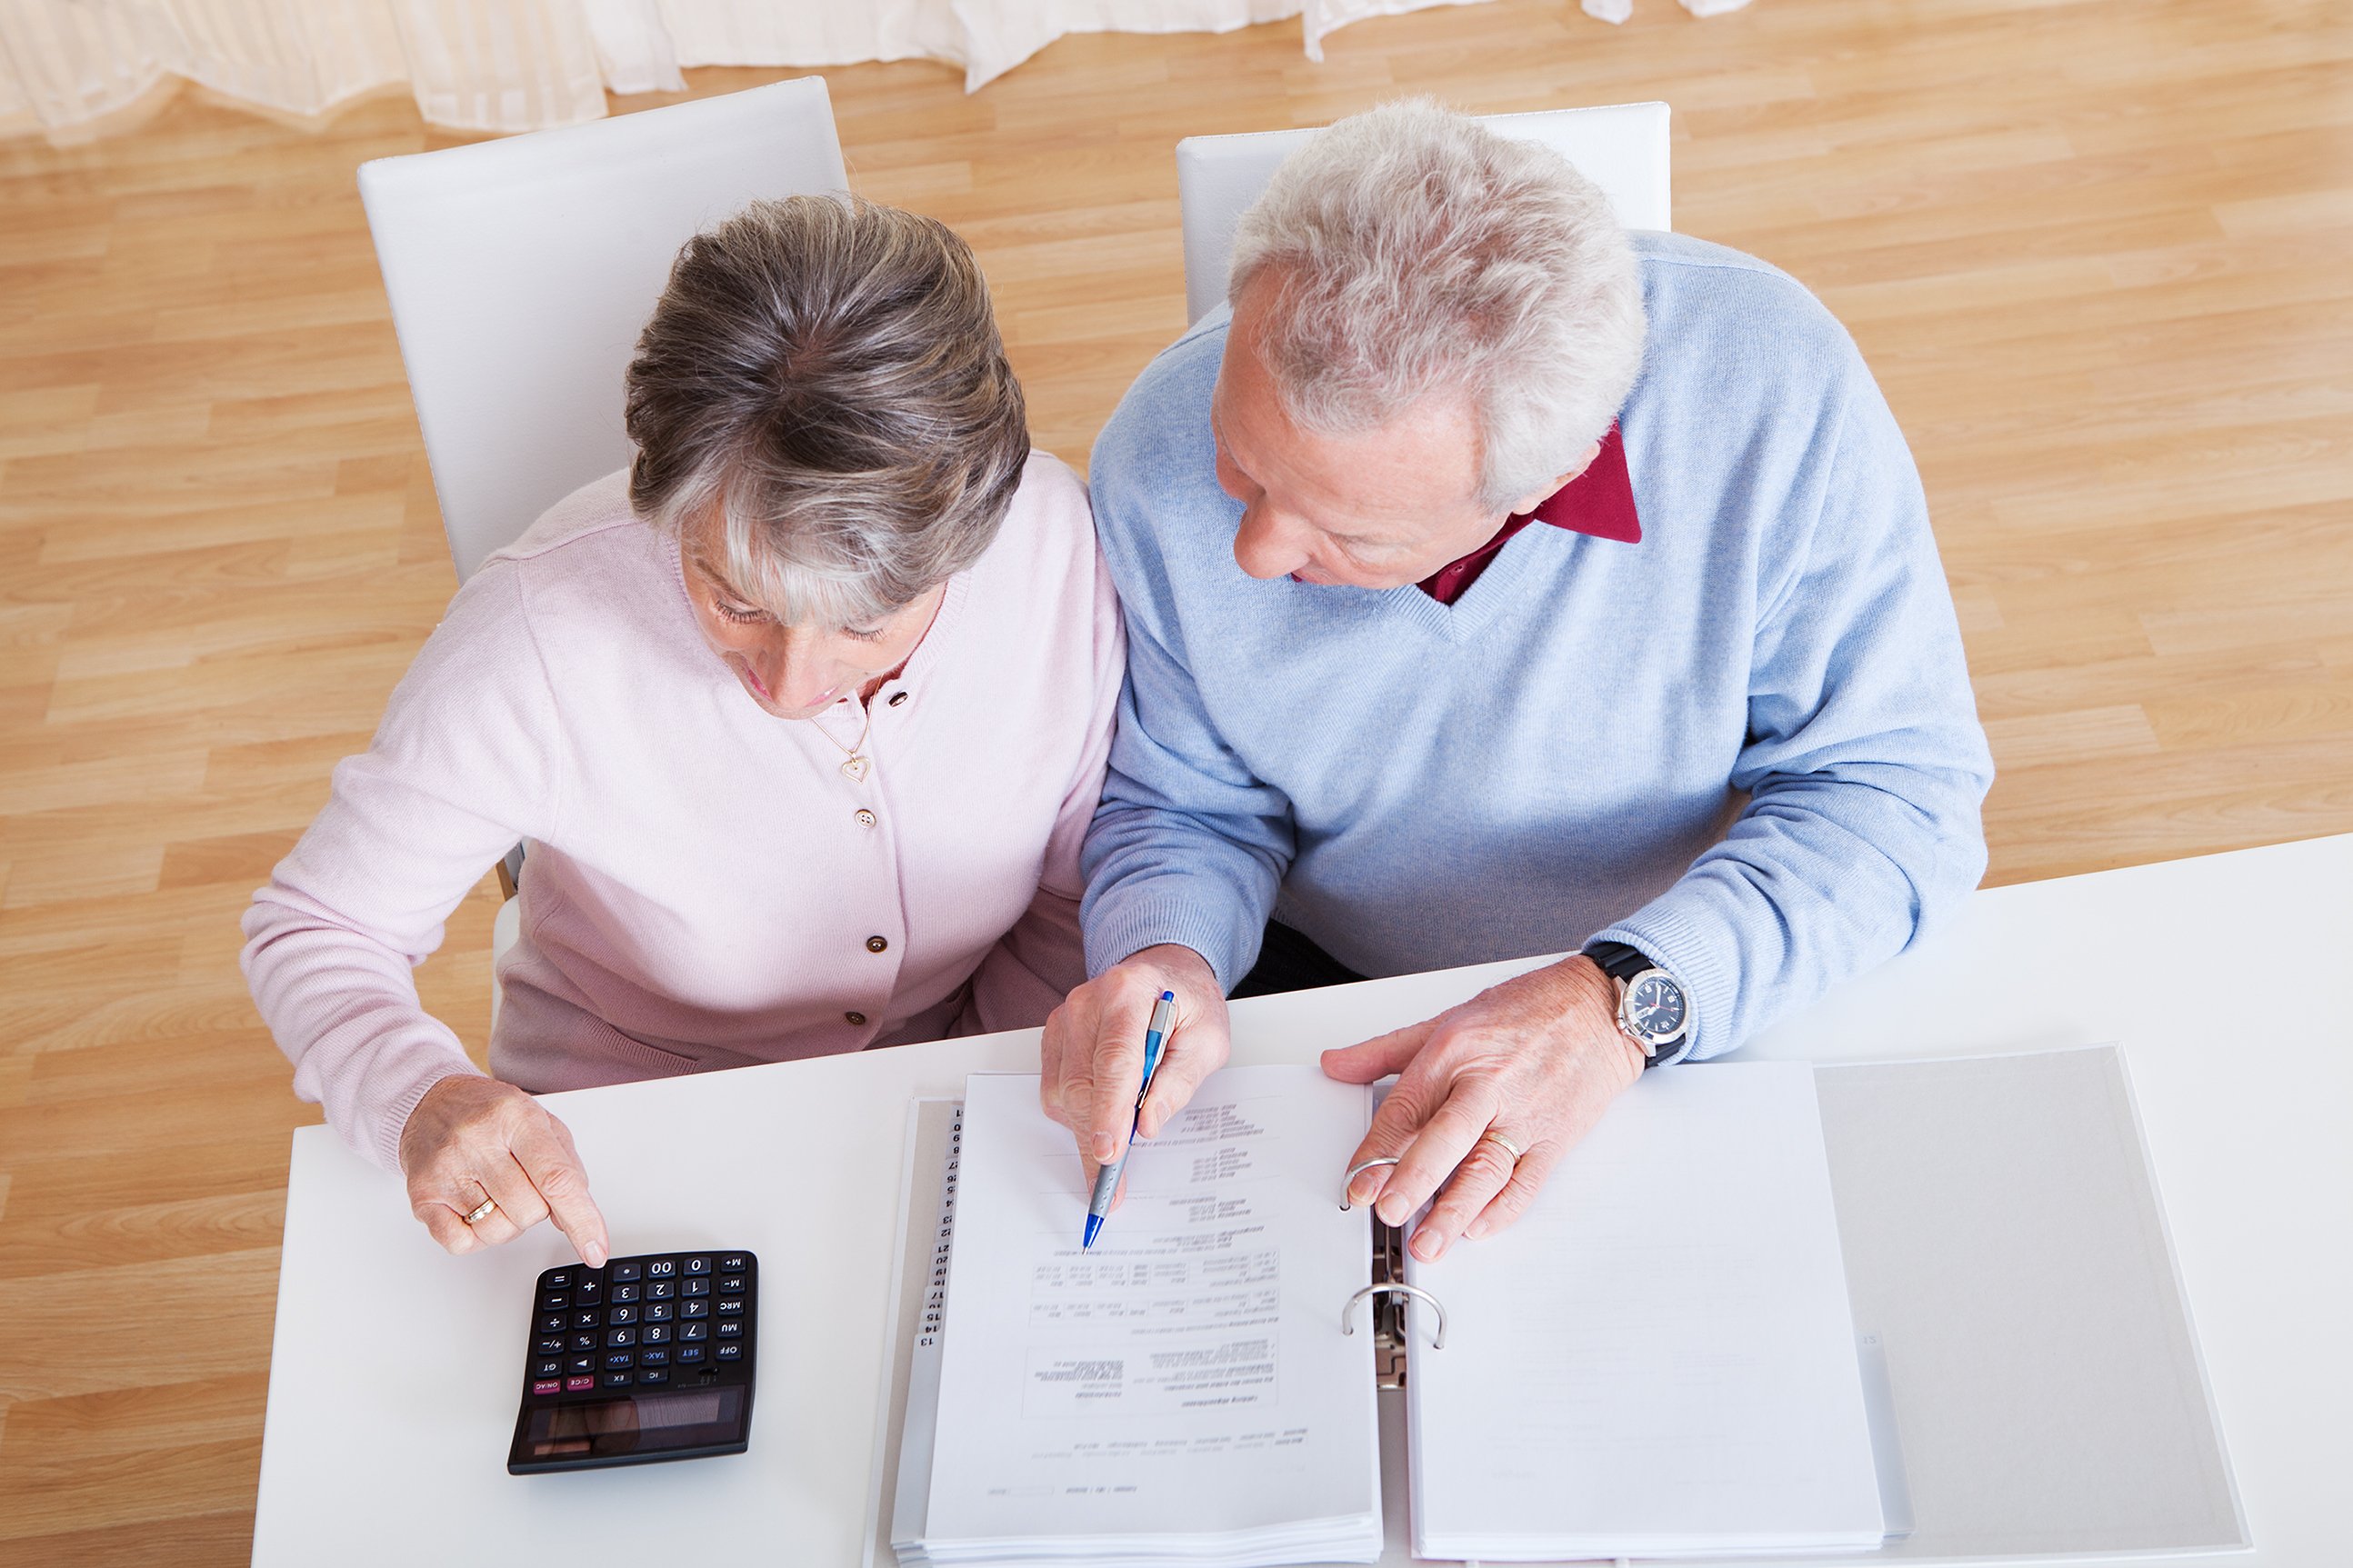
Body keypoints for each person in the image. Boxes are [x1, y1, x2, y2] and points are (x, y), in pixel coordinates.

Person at [1043, 100, 1992, 1263]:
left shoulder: (1769, 388)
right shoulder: (1153, 449)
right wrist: (1165, 954)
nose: (1250, 553)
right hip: (1323, 990)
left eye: (1348, 534)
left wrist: (1614, 1002)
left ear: (1540, 479)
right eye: (1240, 462)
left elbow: (1895, 797)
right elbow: (1182, 802)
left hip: (1678, 971)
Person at [245, 195, 1122, 1266]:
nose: (794, 685)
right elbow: (321, 927)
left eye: (864, 623)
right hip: (622, 1134)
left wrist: (985, 1107)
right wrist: (417, 1091)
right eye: (733, 598)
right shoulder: (537, 633)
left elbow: (1070, 893)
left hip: (964, 1093)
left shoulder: (1054, 548)